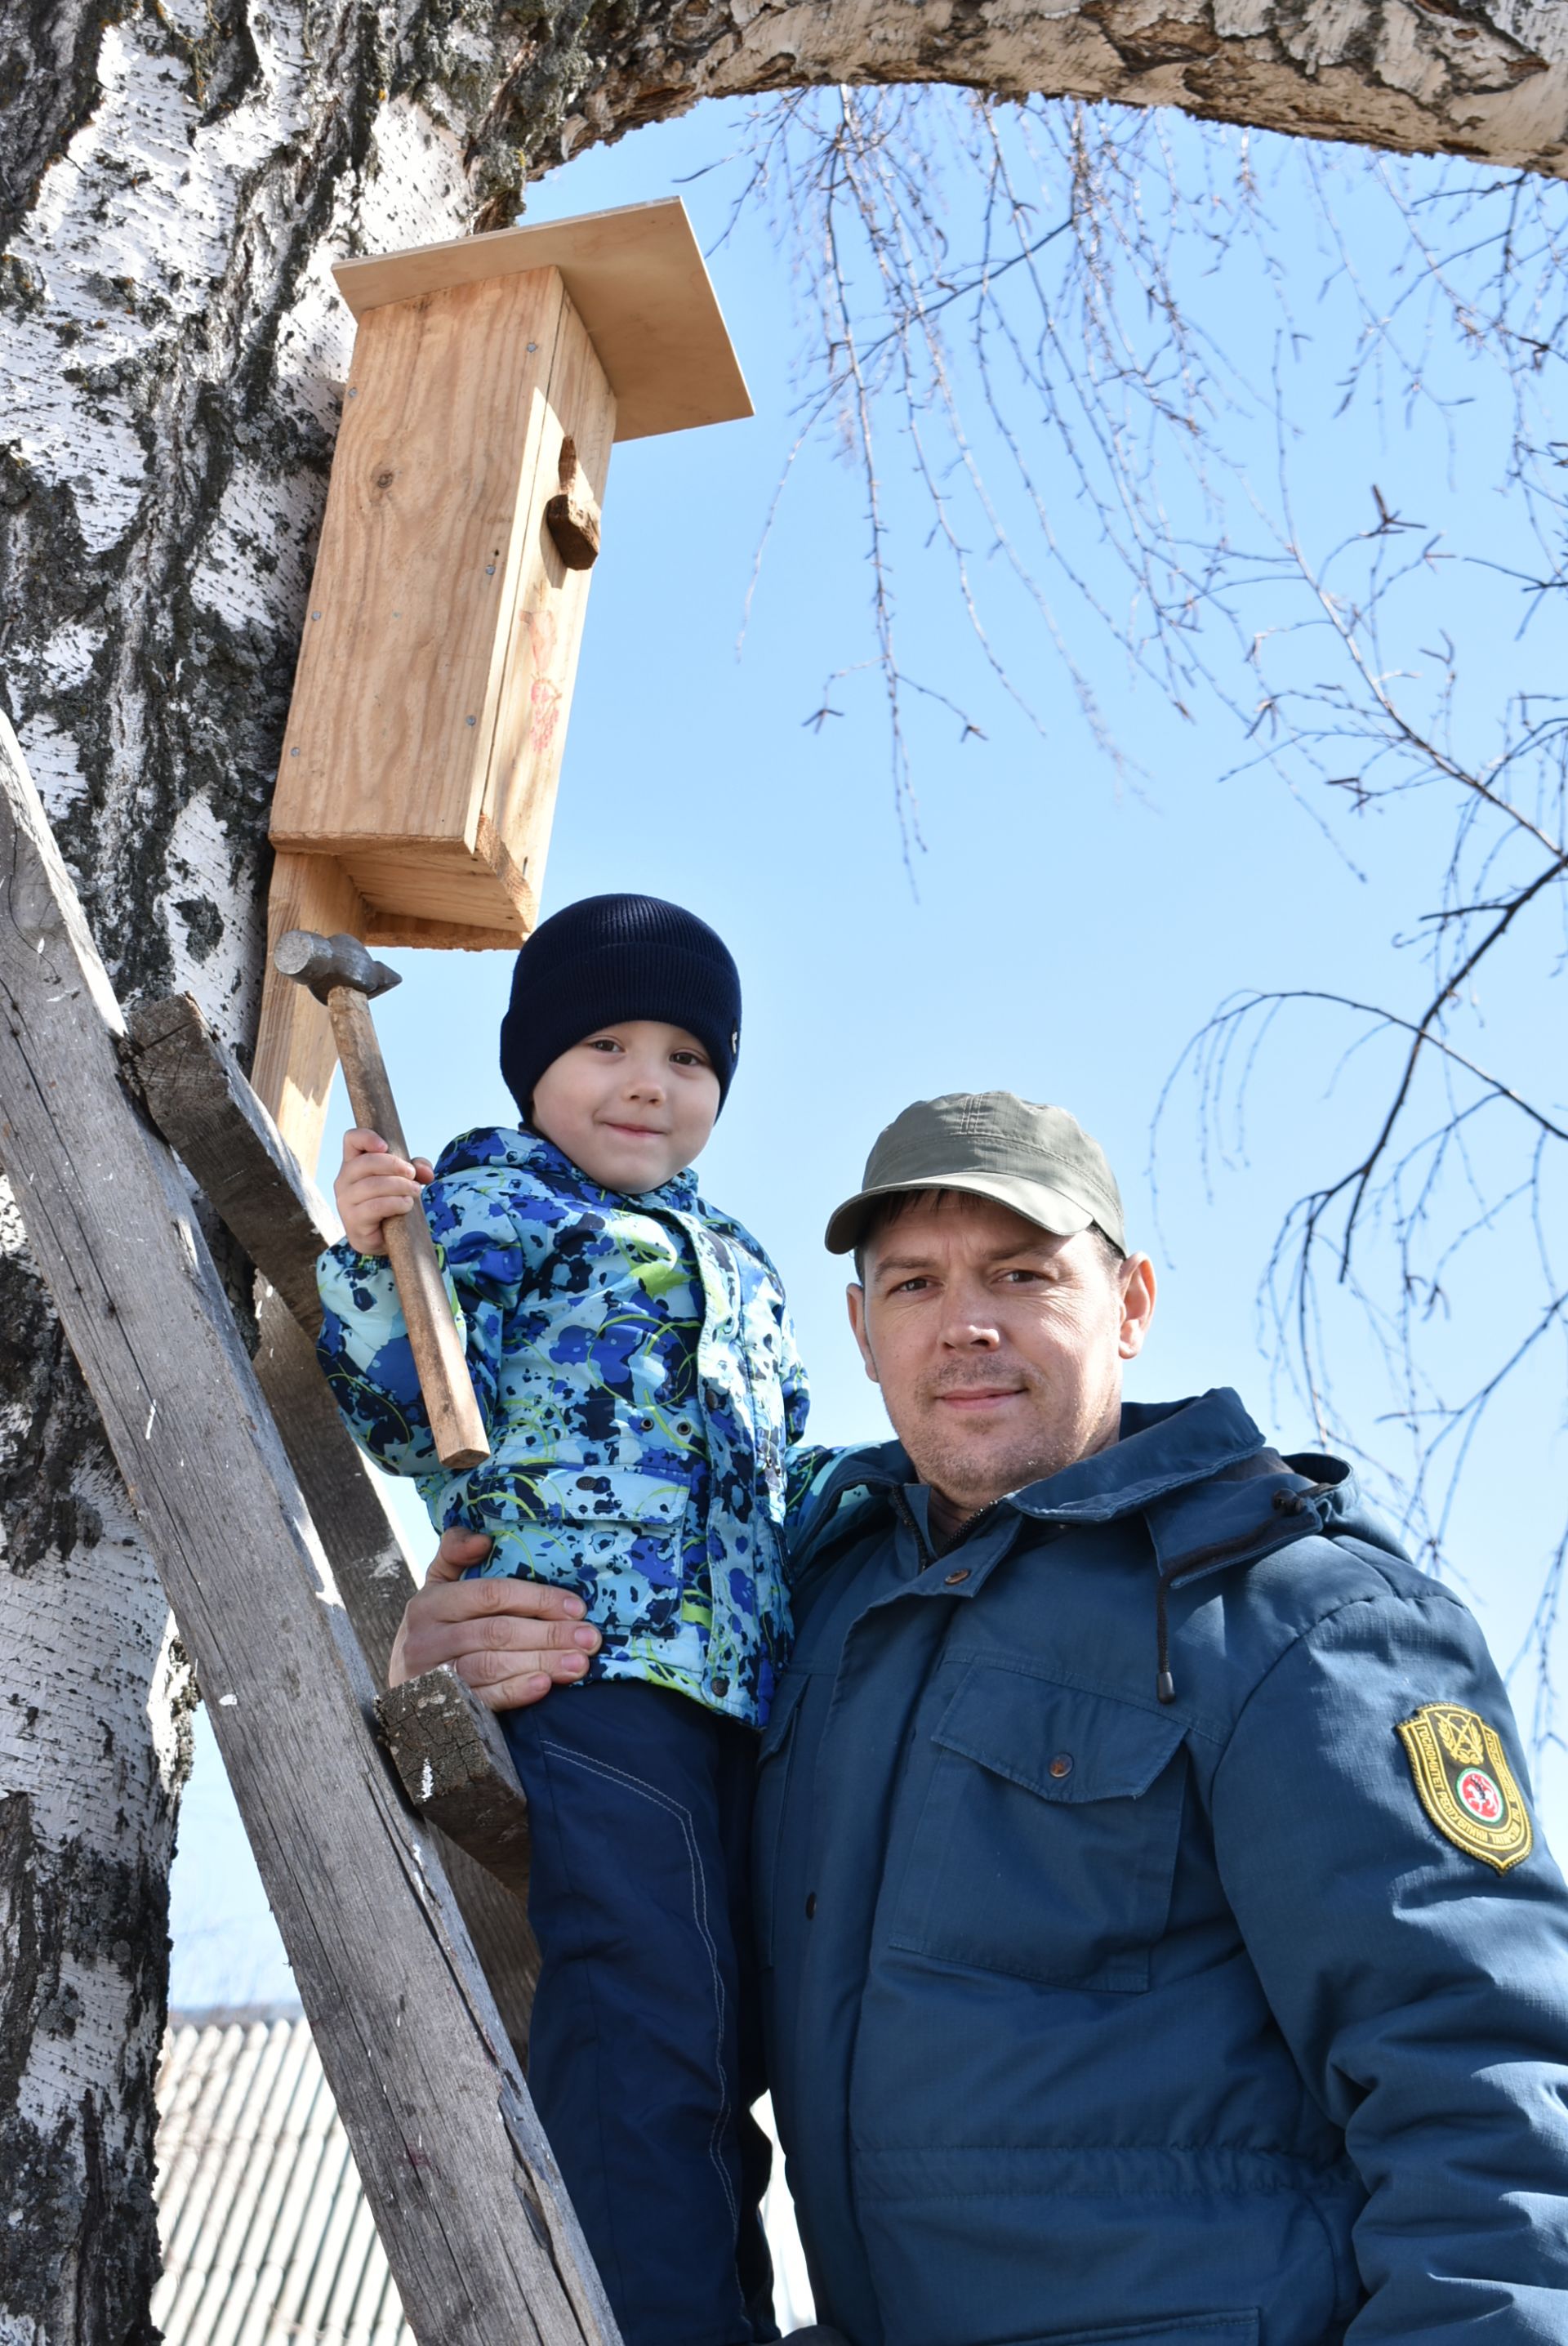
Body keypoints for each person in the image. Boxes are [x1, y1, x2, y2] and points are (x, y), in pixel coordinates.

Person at [395, 1090, 1568, 2346]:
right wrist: (450, 1658)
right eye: (912, 1285)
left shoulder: (1293, 1614)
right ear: (857, 1328)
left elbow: (1482, 2083)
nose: (965, 1325)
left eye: (1021, 1274)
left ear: (1130, 1307)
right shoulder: (804, 1608)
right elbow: (657, 1952)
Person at [317, 893, 826, 2346]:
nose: (648, 1080)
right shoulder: (498, 1204)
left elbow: (785, 1451)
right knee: (641, 2011)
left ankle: (723, 2308)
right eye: (604, 1043)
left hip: (741, 1701)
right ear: (531, 1065)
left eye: (686, 1053)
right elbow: (409, 1405)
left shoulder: (740, 1256)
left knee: (729, 2041)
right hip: (589, 1671)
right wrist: (371, 1259)